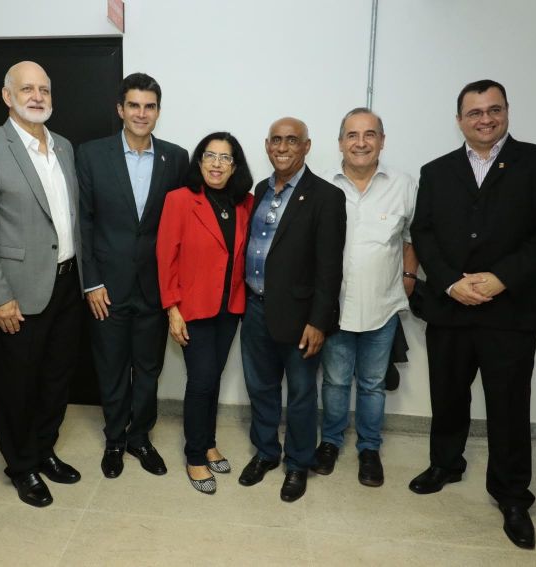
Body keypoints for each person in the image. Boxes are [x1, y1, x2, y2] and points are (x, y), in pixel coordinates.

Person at [409, 80, 536, 549]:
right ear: (459, 119)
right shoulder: (436, 171)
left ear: (506, 112)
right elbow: (425, 231)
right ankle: (446, 463)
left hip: (511, 309)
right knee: (448, 394)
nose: (485, 119)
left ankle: (512, 493)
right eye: (474, 112)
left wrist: (501, 278)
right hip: (449, 305)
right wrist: (448, 282)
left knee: (509, 404)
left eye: (493, 109)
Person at [0, 61, 83, 508]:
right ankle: (22, 466)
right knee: (18, 385)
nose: (37, 96)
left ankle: (44, 449)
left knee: (56, 377)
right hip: (15, 292)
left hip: (67, 284)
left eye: (44, 89)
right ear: (6, 96)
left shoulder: (64, 147)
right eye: (27, 89)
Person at [77, 73, 189, 479]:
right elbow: (83, 223)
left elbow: (180, 226)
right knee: (111, 367)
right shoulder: (91, 155)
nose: (142, 113)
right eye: (135, 106)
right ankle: (114, 440)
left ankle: (140, 437)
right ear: (120, 109)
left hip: (154, 287)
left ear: (158, 111)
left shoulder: (176, 158)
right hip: (105, 286)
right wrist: (91, 280)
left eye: (150, 106)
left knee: (148, 367)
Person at [238, 117, 346, 502]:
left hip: (300, 318)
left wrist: (318, 321)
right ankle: (266, 453)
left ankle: (297, 463)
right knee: (261, 388)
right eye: (276, 141)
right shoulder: (260, 190)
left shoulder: (326, 197)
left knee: (300, 394)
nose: (282, 147)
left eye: (292, 141)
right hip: (254, 309)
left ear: (307, 146)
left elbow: (330, 268)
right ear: (267, 145)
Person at [314, 108, 419, 486]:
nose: (361, 143)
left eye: (369, 134)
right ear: (340, 142)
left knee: (373, 384)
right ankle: (330, 442)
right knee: (337, 381)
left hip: (383, 305)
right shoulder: (321, 184)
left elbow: (412, 237)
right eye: (353, 135)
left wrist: (408, 276)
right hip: (335, 307)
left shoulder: (404, 185)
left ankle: (370, 449)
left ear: (382, 140)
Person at [156, 132, 254, 494]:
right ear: (198, 162)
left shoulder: (246, 203)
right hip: (192, 308)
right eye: (209, 156)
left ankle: (209, 441)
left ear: (235, 166)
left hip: (230, 307)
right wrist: (172, 309)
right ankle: (195, 455)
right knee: (200, 381)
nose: (216, 163)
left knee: (213, 377)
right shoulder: (180, 200)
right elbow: (165, 257)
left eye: (225, 158)